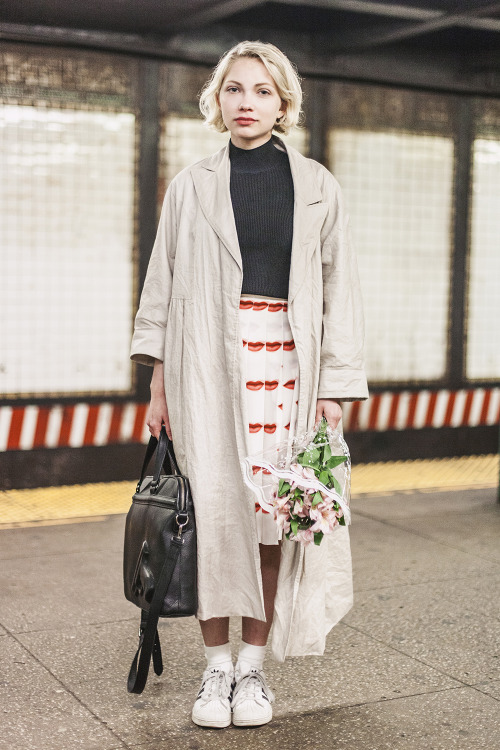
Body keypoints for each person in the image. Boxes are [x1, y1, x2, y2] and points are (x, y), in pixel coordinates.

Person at [130, 40, 368, 729]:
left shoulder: (319, 186)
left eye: (262, 92)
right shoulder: (190, 186)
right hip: (204, 364)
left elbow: (337, 292)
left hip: (288, 373)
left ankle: (254, 672)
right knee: (212, 515)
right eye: (234, 89)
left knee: (272, 521)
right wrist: (157, 385)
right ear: (217, 99)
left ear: (284, 104)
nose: (246, 103)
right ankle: (215, 670)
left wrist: (334, 388)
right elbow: (161, 287)